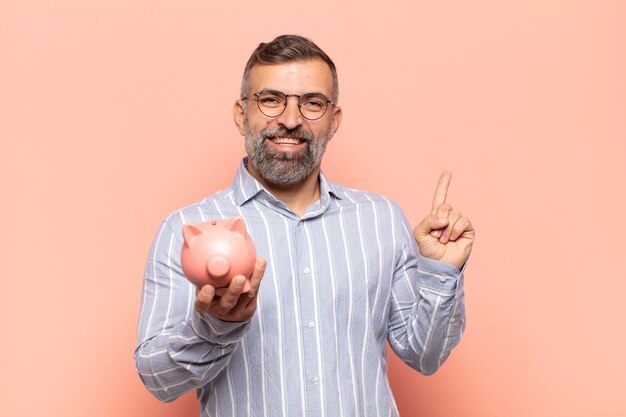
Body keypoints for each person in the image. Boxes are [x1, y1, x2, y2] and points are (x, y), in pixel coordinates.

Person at [135, 34, 474, 417]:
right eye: (270, 99)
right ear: (240, 113)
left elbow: (424, 356)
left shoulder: (381, 219)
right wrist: (212, 327)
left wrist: (440, 271)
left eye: (312, 103)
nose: (291, 119)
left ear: (334, 120)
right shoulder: (185, 229)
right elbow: (157, 380)